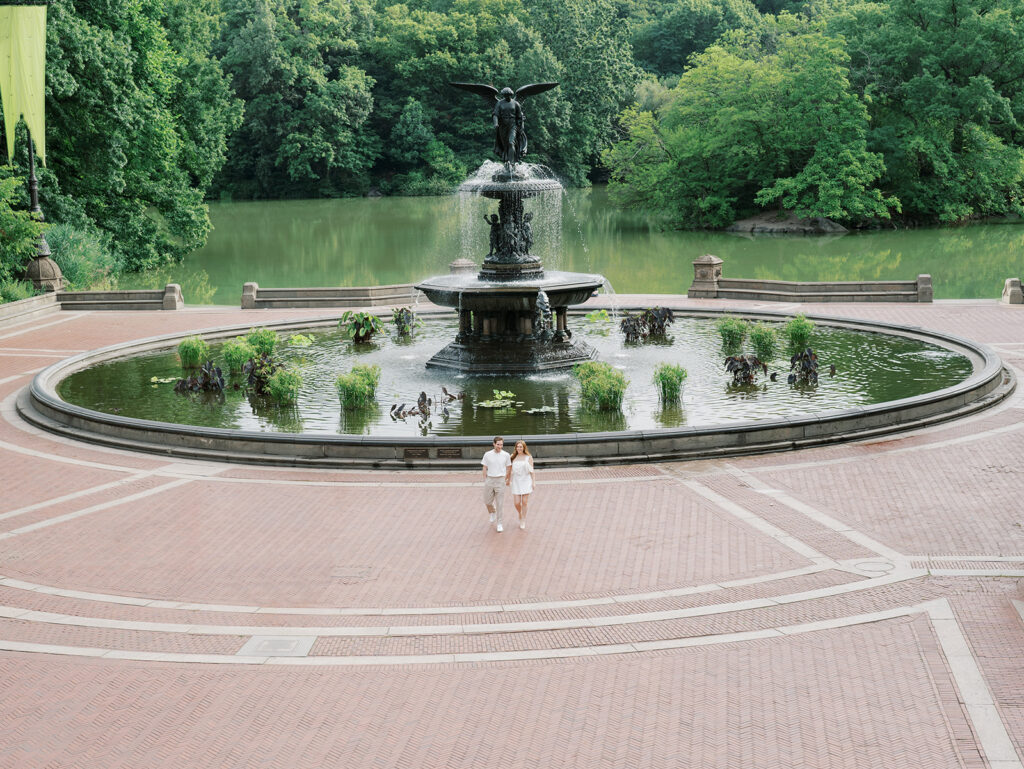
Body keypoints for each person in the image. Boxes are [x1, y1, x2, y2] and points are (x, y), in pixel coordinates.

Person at [481, 435, 511, 532]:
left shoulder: (506, 455)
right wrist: (485, 478)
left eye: (501, 445)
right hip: (490, 480)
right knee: (487, 501)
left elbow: (509, 467)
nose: (500, 446)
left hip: (500, 480)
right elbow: (484, 467)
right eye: (498, 444)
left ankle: (499, 523)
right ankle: (492, 512)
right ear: (494, 444)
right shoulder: (487, 454)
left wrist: (506, 478)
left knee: (500, 504)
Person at [506, 439, 535, 530]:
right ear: (515, 448)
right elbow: (509, 470)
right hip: (516, 481)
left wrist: (533, 482)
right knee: (517, 503)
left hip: (526, 480)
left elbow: (532, 471)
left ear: (524, 448)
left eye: (521, 447)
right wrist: (507, 480)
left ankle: (523, 519)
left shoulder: (528, 457)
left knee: (525, 502)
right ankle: (520, 513)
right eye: (518, 447)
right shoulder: (512, 457)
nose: (519, 448)